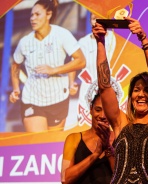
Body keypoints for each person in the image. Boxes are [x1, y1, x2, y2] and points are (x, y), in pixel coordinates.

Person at [92, 17, 148, 183]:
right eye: (136, 90)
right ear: (130, 97)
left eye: (147, 90)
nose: (141, 94)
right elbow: (104, 86)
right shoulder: (121, 123)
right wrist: (100, 42)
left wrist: (143, 39)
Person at [9, 0, 85, 132]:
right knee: (39, 142)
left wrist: (54, 70)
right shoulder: (25, 42)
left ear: (48, 15)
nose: (32, 18)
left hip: (58, 99)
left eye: (37, 14)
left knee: (52, 145)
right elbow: (15, 65)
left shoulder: (62, 35)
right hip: (32, 100)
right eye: (31, 15)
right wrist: (16, 88)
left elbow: (80, 61)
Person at [61, 92, 114, 184]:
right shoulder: (74, 138)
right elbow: (65, 179)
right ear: (91, 109)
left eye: (106, 111)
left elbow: (125, 178)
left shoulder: (121, 138)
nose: (102, 116)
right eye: (98, 110)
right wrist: (95, 154)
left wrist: (108, 149)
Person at [76, 12, 116, 127]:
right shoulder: (82, 42)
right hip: (87, 88)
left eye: (100, 18)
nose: (97, 22)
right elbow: (75, 63)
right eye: (94, 18)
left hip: (111, 88)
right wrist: (71, 84)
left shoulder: (115, 39)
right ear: (89, 21)